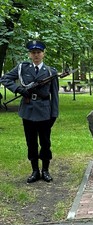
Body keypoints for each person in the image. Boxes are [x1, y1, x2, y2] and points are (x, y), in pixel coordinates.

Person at [0, 40, 59, 183]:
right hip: (27, 111)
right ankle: (35, 171)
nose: (36, 55)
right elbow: (5, 78)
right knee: (31, 142)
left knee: (45, 143)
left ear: (43, 54)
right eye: (33, 53)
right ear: (30, 55)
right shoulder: (22, 68)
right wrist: (18, 89)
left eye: (38, 52)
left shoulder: (51, 72)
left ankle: (45, 170)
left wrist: (54, 114)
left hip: (45, 111)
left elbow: (55, 95)